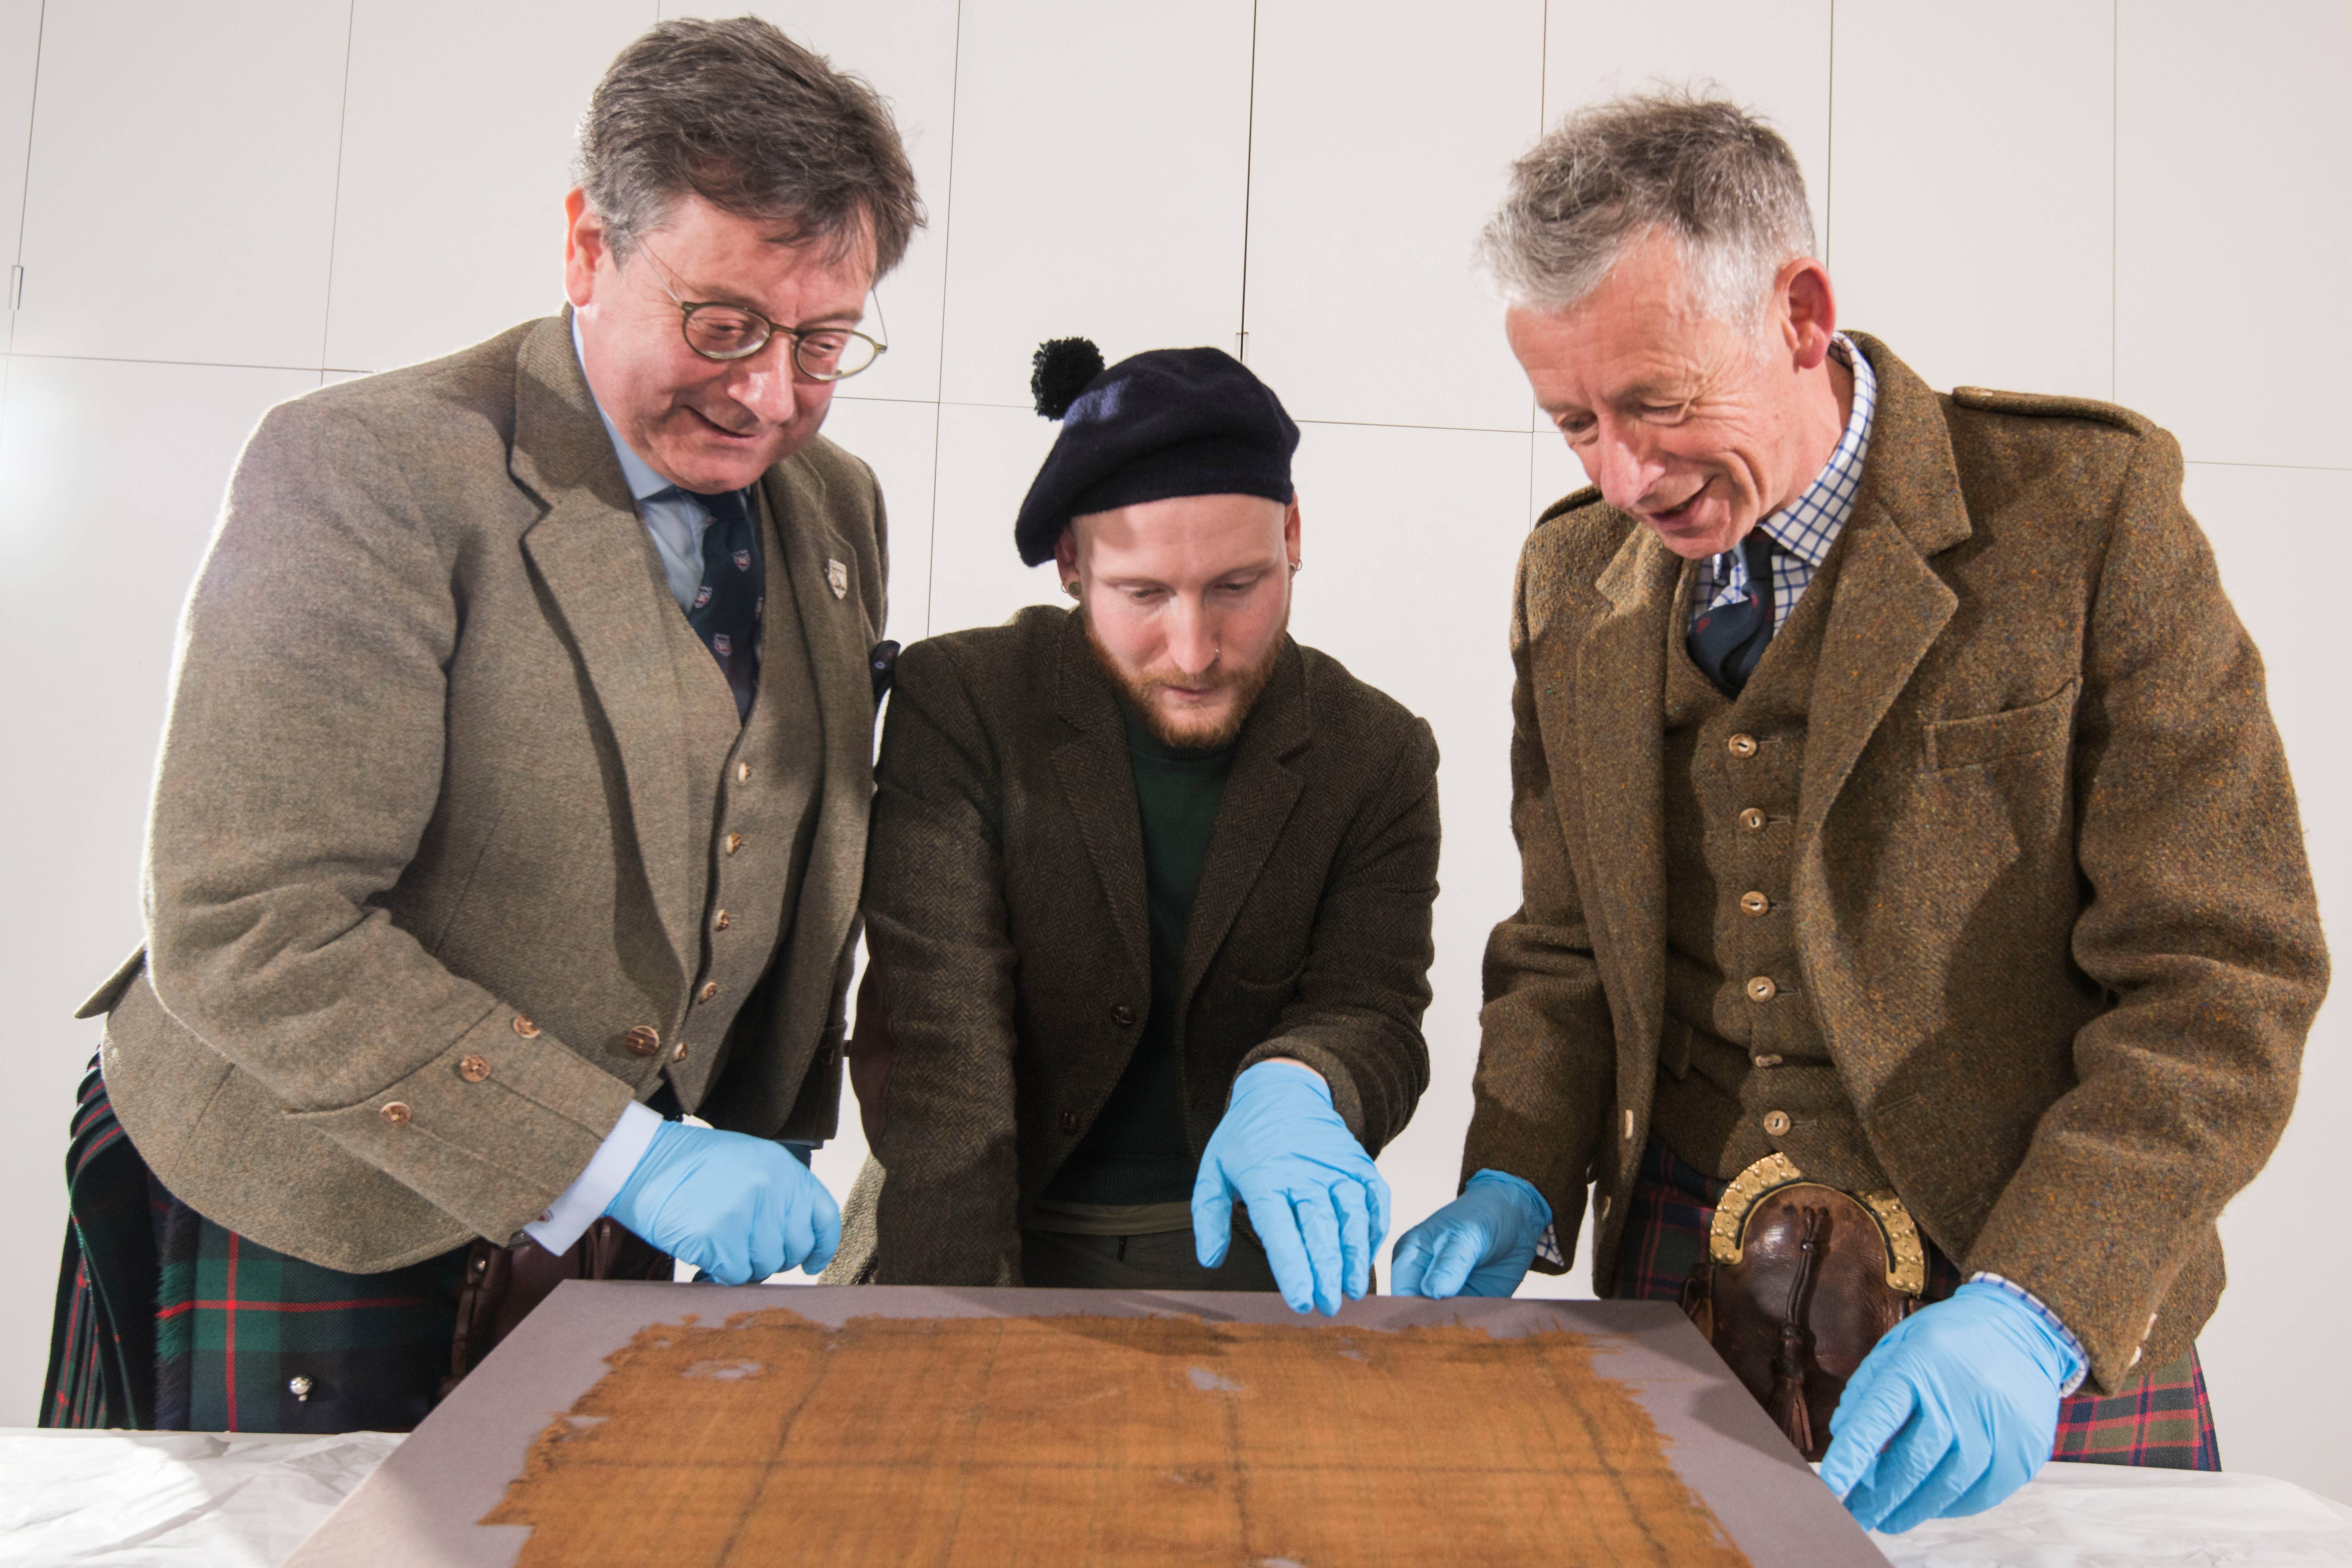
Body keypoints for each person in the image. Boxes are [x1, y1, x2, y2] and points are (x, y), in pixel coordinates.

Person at [1390, 92, 2325, 1532]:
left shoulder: (2083, 515)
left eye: (1656, 403)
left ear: (1802, 314)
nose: (1621, 475)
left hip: (2034, 1312)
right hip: (1673, 1293)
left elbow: (2222, 978)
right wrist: (1513, 1167)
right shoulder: (1571, 579)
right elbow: (1569, 947)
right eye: (1573, 422)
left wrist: (2037, 1308)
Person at [42, 16, 920, 1434]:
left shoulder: (835, 507)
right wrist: (626, 1157)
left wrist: (758, 1130)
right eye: (723, 325)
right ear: (586, 247)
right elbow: (251, 927)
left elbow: (790, 831)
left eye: (822, 340)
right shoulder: (369, 471)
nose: (771, 394)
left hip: (611, 1206)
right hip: (315, 1188)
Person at [826, 340, 1438, 1314]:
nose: (1193, 651)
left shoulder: (1375, 751)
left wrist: (1301, 1081)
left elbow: (1375, 1014)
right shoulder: (963, 703)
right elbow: (943, 1050)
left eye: (1237, 587)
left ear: (1291, 533)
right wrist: (949, 1331)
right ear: (1071, 563)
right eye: (1144, 595)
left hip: (1248, 1257)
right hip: (974, 1227)